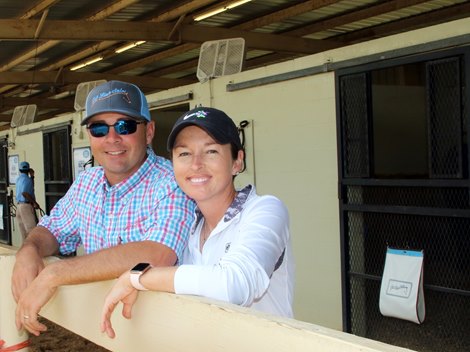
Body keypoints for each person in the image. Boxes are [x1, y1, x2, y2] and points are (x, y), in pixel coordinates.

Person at [11, 80, 195, 336]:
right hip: (109, 336)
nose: (112, 138)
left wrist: (55, 274)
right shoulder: (88, 182)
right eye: (99, 128)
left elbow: (158, 253)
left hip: (166, 335)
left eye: (125, 125)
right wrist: (29, 250)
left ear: (149, 131)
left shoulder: (173, 181)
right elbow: (52, 229)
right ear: (89, 135)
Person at [100, 107, 294, 338]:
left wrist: (138, 278)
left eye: (211, 151)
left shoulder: (264, 210)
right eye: (184, 154)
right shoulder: (190, 225)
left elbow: (235, 284)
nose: (196, 164)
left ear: (237, 162)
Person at [15, 161, 40, 240]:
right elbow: (25, 193)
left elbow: (30, 187)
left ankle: (25, 251)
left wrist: (32, 177)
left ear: (19, 170)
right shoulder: (27, 180)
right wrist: (35, 203)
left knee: (24, 233)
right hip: (26, 206)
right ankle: (32, 251)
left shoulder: (19, 179)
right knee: (32, 230)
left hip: (19, 206)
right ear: (29, 170)